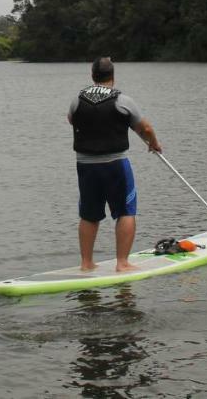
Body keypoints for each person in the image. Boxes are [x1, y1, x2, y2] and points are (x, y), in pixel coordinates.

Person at [68, 57, 162, 273]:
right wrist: (153, 143)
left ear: (92, 76)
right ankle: (122, 263)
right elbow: (145, 128)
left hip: (85, 167)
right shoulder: (123, 101)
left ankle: (86, 263)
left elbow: (71, 120)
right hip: (115, 165)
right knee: (126, 212)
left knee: (89, 214)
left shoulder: (76, 100)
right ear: (113, 76)